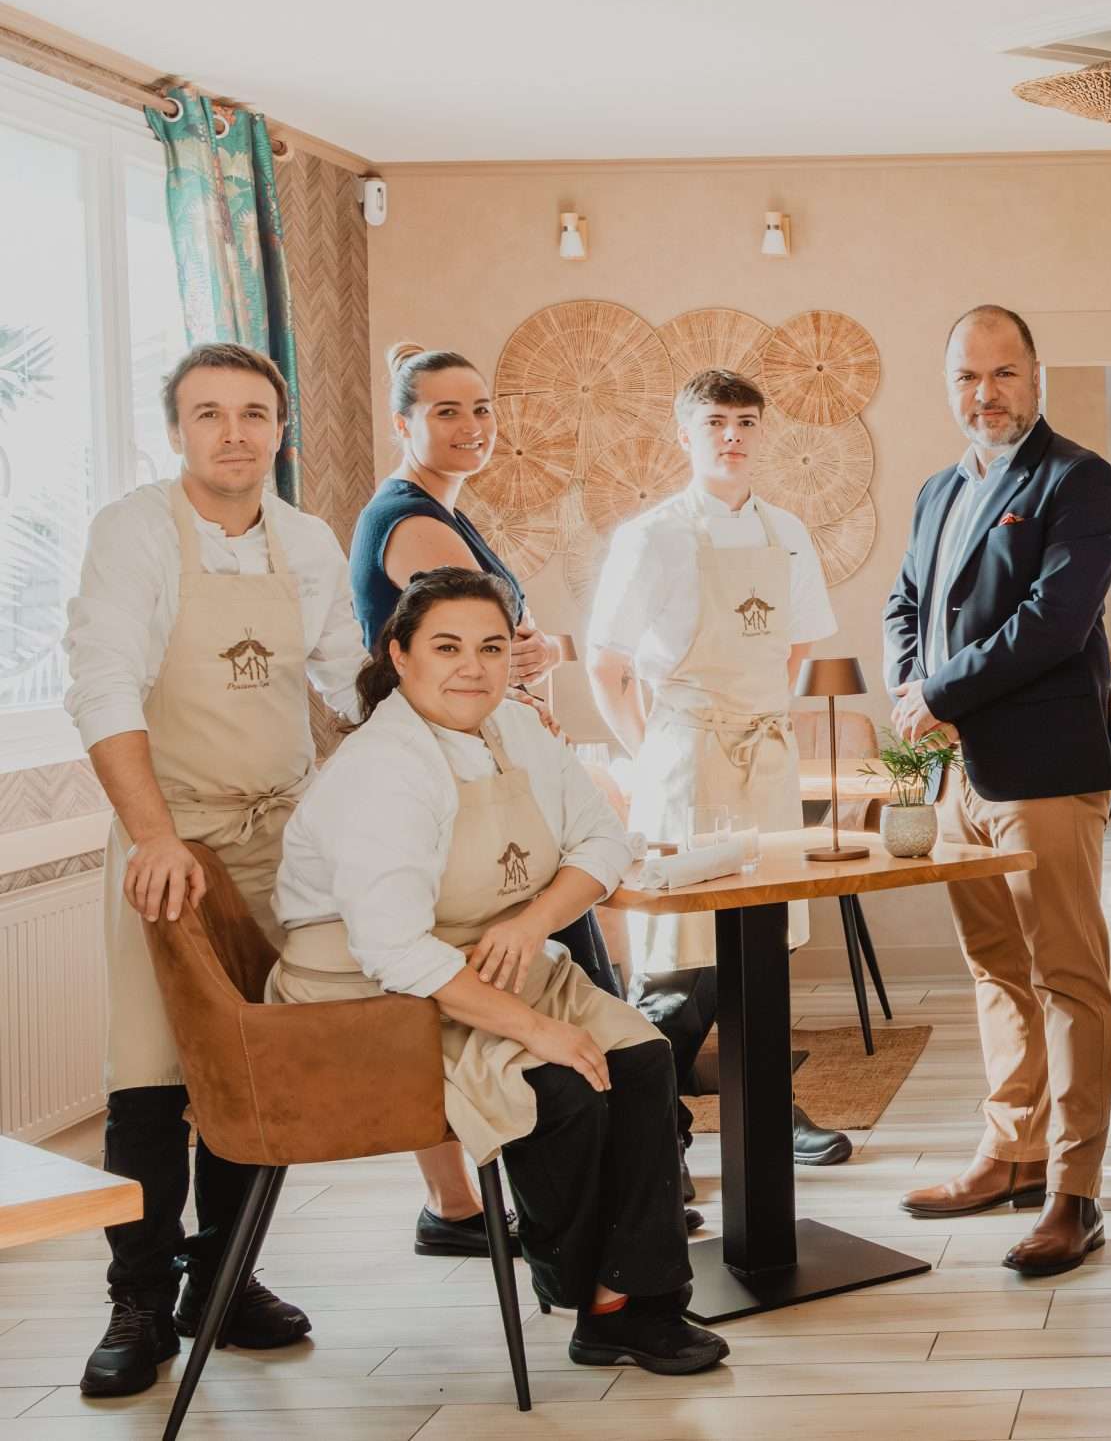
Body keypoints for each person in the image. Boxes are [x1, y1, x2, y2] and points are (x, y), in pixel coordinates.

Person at [272, 568, 726, 1375]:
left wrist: (530, 921)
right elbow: (395, 950)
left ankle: (629, 1296)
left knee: (644, 1056)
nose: (472, 667)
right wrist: (539, 1029)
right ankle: (589, 1292)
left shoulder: (517, 731)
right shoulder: (386, 767)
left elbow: (602, 843)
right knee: (559, 1086)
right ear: (400, 654)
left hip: (488, 958)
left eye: (490, 646)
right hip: (371, 998)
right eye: (446, 647)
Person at [64, 344, 362, 1398]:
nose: (232, 432)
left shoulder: (309, 540)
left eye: (252, 413)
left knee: (253, 1068)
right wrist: (154, 840)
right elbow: (103, 688)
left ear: (280, 429)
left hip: (283, 832)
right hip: (171, 832)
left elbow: (345, 671)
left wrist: (457, 680)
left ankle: (223, 1282)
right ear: (176, 430)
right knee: (150, 1076)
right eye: (208, 414)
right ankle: (137, 1301)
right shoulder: (135, 532)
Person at [353, 342, 623, 1255]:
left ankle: (489, 1202)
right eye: (446, 412)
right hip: (453, 781)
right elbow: (488, 641)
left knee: (532, 963)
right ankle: (572, 1198)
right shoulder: (411, 518)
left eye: (482, 411)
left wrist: (538, 651)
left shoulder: (444, 514)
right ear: (403, 423)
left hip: (482, 767)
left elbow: (513, 642)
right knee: (518, 973)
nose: (471, 428)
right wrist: (530, 649)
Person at [885, 305, 1111, 1279]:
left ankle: (1075, 1192)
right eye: (967, 377)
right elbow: (906, 601)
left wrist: (938, 691)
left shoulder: (1078, 480)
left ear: (1036, 376)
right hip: (957, 775)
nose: (985, 394)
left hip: (1045, 770)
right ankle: (1010, 1151)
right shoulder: (937, 489)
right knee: (993, 971)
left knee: (1068, 977)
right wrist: (913, 688)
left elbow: (1053, 622)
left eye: (1004, 373)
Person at [586, 368, 848, 1175]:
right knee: (681, 957)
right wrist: (651, 755)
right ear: (685, 435)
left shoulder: (789, 530)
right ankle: (643, 1125)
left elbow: (798, 644)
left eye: (745, 421)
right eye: (714, 422)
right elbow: (606, 663)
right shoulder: (653, 535)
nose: (731, 436)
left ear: (762, 432)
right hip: (685, 755)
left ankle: (764, 1110)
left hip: (764, 756)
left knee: (762, 944)